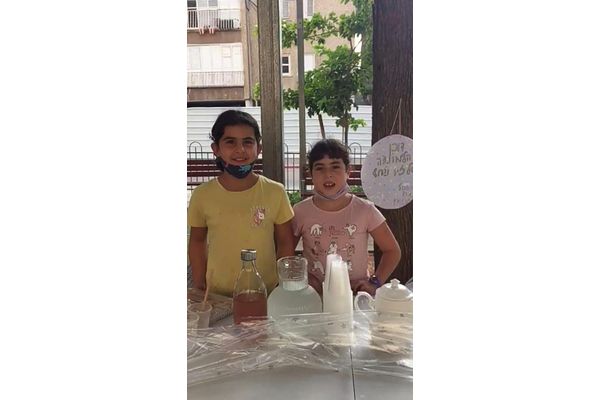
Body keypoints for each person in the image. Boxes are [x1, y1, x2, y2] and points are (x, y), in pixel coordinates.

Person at [188, 110, 295, 297]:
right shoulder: (202, 195)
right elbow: (197, 241)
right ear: (216, 149)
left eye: (247, 142)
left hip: (266, 293)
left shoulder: (275, 192)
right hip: (217, 294)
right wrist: (199, 283)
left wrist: (282, 284)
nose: (240, 150)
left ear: (258, 148)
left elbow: (285, 241)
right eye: (230, 142)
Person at [292, 139, 401, 296]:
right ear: (310, 174)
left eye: (335, 167)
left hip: (355, 296)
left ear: (348, 171)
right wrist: (303, 277)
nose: (328, 174)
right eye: (320, 168)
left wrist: (375, 282)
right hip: (314, 296)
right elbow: (285, 253)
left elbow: (392, 250)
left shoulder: (365, 210)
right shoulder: (300, 211)